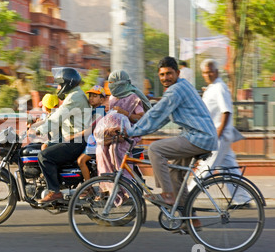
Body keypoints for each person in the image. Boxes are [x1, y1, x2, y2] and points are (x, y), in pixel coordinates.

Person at [123, 56, 218, 206]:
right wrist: (138, 126)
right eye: (162, 75)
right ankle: (189, 219)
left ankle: (167, 195)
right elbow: (161, 117)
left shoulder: (176, 90)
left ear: (177, 73)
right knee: (175, 175)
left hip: (199, 137)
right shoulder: (181, 86)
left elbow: (157, 115)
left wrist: (130, 132)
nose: (165, 78)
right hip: (199, 136)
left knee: (155, 149)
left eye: (169, 73)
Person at [187, 59, 248, 204]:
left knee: (205, 168)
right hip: (219, 135)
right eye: (205, 72)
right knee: (229, 168)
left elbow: (225, 111)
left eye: (210, 71)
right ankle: (242, 199)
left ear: (216, 72)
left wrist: (217, 135)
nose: (207, 74)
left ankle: (186, 198)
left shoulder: (219, 87)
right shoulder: (212, 87)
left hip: (218, 135)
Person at [29, 67, 91, 204]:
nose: (58, 87)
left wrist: (39, 131)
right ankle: (57, 184)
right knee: (45, 148)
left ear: (67, 83)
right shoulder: (75, 95)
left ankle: (54, 192)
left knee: (44, 156)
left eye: (59, 84)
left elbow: (58, 116)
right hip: (73, 138)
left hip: (76, 141)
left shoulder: (74, 97)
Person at [95, 70, 149, 183]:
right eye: (110, 82)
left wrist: (125, 113)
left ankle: (125, 186)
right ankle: (107, 184)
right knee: (100, 150)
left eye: (113, 82)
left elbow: (141, 119)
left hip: (128, 134)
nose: (111, 85)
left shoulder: (133, 97)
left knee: (115, 150)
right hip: (114, 133)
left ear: (121, 83)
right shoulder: (112, 98)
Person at [77, 85, 107, 181]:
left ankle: (87, 188)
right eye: (90, 96)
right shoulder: (93, 111)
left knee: (81, 161)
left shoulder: (100, 112)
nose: (91, 98)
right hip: (91, 142)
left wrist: (73, 136)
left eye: (95, 96)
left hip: (96, 144)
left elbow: (89, 130)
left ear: (102, 100)